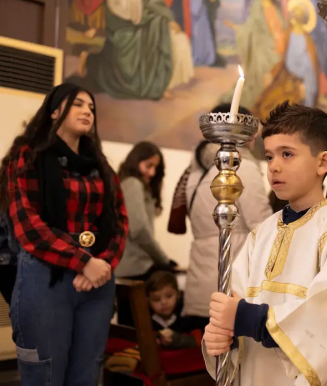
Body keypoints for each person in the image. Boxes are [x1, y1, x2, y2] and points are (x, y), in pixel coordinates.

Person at [202, 102, 327, 385]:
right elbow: (233, 305)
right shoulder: (260, 234)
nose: (274, 166)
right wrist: (224, 335)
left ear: (323, 163)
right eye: (269, 156)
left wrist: (251, 319)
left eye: (287, 154)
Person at [0, 83, 128, 385]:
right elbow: (27, 225)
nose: (87, 111)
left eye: (91, 107)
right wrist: (82, 261)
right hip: (46, 276)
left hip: (97, 280)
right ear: (55, 111)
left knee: (87, 373)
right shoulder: (26, 157)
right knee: (45, 373)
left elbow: (120, 221)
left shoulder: (101, 165)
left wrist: (104, 263)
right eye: (78, 104)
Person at [168, 104, 272, 330]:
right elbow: (262, 227)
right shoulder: (240, 166)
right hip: (230, 282)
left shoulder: (195, 171)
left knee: (207, 356)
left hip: (199, 282)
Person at [115, 141, 175, 280]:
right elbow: (139, 230)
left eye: (156, 168)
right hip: (134, 267)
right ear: (135, 162)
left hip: (133, 266)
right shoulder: (132, 184)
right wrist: (163, 259)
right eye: (149, 166)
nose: (153, 172)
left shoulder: (129, 184)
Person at [146, 271, 203, 349]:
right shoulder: (146, 319)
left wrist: (178, 340)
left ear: (178, 294)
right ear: (148, 302)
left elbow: (197, 340)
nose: (164, 302)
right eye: (156, 299)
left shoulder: (187, 316)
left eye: (169, 296)